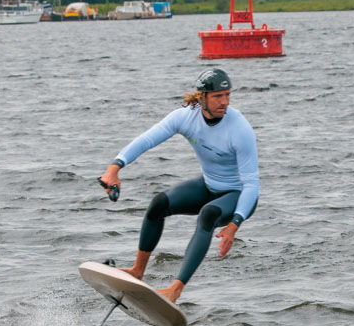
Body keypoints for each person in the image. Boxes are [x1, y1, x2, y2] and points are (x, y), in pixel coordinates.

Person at [98, 68, 259, 304]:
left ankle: (175, 290)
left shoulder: (239, 129)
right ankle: (137, 271)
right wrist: (114, 167)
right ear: (202, 96)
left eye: (227, 95)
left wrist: (235, 224)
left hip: (239, 195)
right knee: (159, 204)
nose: (224, 102)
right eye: (217, 96)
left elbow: (252, 184)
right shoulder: (185, 117)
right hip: (209, 185)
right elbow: (147, 139)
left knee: (208, 215)